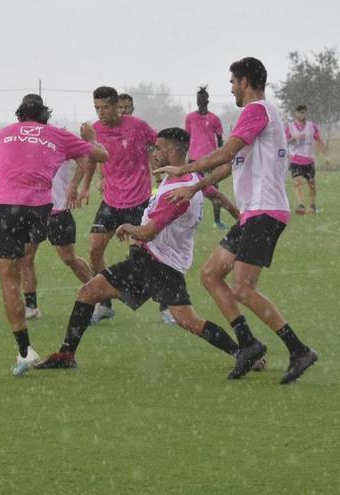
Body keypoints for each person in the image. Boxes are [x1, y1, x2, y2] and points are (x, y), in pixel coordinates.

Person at [154, 57, 318, 384]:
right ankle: (248, 344)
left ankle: (298, 349)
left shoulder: (256, 110)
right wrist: (195, 187)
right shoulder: (257, 116)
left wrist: (183, 170)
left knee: (243, 288)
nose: (230, 88)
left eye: (232, 82)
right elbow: (233, 164)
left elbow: (227, 153)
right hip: (252, 214)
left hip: (265, 210)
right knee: (211, 274)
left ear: (245, 81)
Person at [37, 128, 251, 371]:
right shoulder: (187, 179)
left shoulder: (176, 193)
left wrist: (127, 226)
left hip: (160, 265)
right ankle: (66, 355)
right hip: (148, 261)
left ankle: (243, 351)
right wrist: (236, 213)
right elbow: (214, 191)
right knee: (89, 292)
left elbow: (149, 232)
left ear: (171, 151)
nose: (154, 152)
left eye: (158, 148)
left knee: (188, 320)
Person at [0, 94, 107, 376]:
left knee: (9, 274)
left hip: (6, 207)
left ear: (19, 117)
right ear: (44, 117)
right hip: (40, 209)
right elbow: (102, 156)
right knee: (13, 258)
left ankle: (24, 351)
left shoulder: (4, 134)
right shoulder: (58, 135)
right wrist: (91, 137)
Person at [0, 159, 96, 319]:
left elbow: (87, 157)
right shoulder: (28, 140)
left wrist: (76, 186)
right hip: (33, 210)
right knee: (25, 257)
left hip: (56, 210)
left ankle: (99, 294)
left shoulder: (61, 137)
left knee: (68, 258)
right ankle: (31, 306)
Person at [86, 86, 157, 325]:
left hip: (139, 200)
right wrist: (87, 185)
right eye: (97, 108)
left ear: (117, 107)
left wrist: (163, 170)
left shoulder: (137, 126)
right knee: (94, 248)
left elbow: (160, 146)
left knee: (146, 257)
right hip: (111, 201)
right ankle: (104, 304)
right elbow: (91, 157)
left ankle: (168, 305)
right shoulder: (95, 130)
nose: (100, 113)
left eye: (105, 107)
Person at [185, 86, 229, 230]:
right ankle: (189, 221)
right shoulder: (190, 118)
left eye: (203, 99)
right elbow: (187, 138)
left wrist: (221, 157)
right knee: (190, 190)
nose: (200, 101)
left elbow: (220, 139)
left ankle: (217, 221)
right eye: (198, 99)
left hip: (211, 160)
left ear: (207, 100)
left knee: (214, 191)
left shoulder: (214, 118)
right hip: (194, 160)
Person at [286, 104, 329, 215]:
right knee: (297, 182)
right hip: (295, 159)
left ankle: (312, 205)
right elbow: (282, 142)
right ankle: (301, 205)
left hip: (308, 160)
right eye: (300, 112)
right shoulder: (290, 127)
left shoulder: (312, 126)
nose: (302, 114)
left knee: (311, 183)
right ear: (295, 113)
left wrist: (326, 156)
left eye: (304, 112)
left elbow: (319, 140)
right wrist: (292, 139)